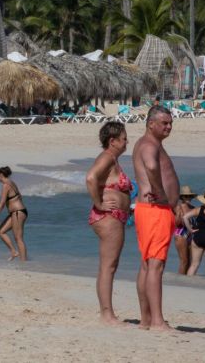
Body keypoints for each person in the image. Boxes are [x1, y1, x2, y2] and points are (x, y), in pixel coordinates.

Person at [131, 106, 179, 330]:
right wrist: (161, 192)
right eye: (164, 123)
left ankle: (147, 319)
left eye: (170, 123)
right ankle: (157, 320)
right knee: (155, 266)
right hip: (154, 210)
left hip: (150, 210)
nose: (169, 127)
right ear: (151, 124)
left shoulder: (148, 143)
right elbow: (151, 166)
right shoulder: (149, 145)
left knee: (147, 265)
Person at [85, 121, 131, 324]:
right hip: (108, 217)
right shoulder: (106, 158)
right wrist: (99, 203)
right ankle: (106, 314)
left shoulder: (112, 158)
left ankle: (107, 312)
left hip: (114, 217)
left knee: (110, 265)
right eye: (124, 138)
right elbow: (90, 178)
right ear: (112, 141)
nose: (127, 142)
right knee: (108, 266)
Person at [0, 166, 28, 262]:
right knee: (0, 231)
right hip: (17, 212)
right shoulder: (12, 183)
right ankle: (14, 252)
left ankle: (24, 263)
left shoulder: (6, 185)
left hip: (17, 212)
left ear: (1, 175)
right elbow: (20, 196)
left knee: (18, 238)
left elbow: (2, 203)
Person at [173, 186, 196, 275]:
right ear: (182, 197)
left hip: (191, 235)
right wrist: (179, 215)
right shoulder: (179, 207)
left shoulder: (193, 208)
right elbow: (176, 223)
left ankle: (186, 281)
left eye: (189, 196)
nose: (188, 198)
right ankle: (180, 281)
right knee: (184, 260)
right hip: (181, 233)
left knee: (190, 260)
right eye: (186, 196)